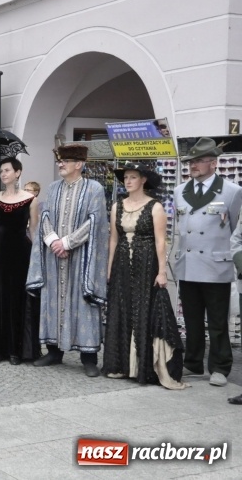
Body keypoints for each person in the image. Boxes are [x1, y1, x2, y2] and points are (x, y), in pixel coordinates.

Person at [26, 144, 109, 377]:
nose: (60, 164)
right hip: (55, 258)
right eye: (59, 161)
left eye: (65, 161)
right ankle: (53, 351)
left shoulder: (94, 189)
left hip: (81, 257)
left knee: (82, 303)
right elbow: (45, 217)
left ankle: (89, 357)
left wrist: (68, 243)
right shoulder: (53, 188)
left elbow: (95, 222)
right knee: (52, 299)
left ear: (79, 164)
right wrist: (53, 241)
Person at [103, 162, 186, 389]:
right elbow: (113, 239)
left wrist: (161, 272)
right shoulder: (116, 206)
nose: (128, 181)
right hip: (121, 263)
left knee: (143, 310)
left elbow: (161, 242)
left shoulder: (155, 207)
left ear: (143, 181)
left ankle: (142, 367)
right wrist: (109, 268)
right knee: (122, 309)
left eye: (132, 177)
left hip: (146, 264)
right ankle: (121, 365)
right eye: (126, 178)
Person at [174, 138, 242, 389]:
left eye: (198, 161)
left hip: (216, 266)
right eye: (191, 161)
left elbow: (236, 231)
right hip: (189, 263)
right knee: (191, 320)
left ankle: (220, 367)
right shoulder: (180, 191)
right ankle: (192, 362)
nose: (193, 165)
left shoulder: (232, 191)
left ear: (213, 163)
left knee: (217, 322)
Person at [0, 158, 39, 364]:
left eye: (7, 170)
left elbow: (33, 230)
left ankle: (16, 349)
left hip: (20, 254)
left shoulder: (30, 199)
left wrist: (37, 257)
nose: (3, 174)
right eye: (1, 171)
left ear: (18, 172)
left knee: (17, 300)